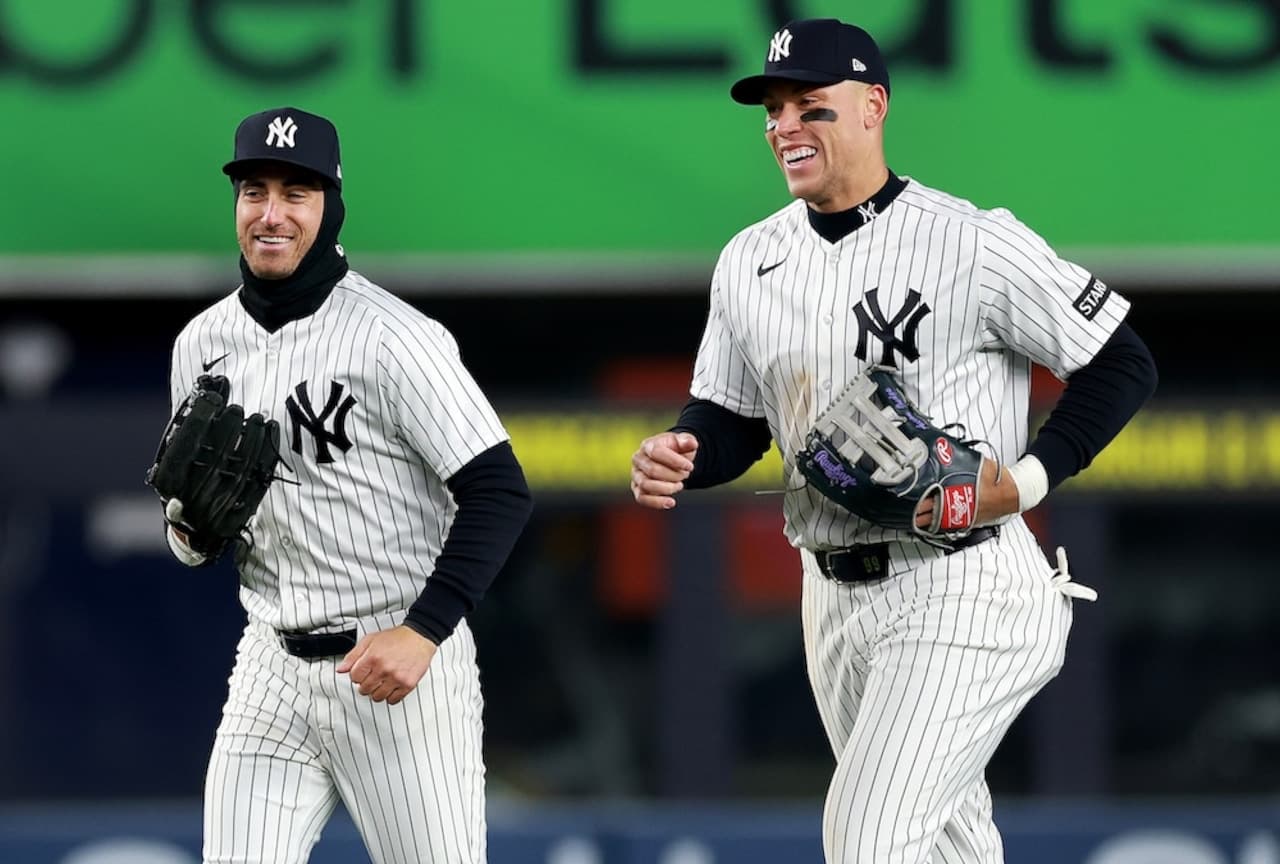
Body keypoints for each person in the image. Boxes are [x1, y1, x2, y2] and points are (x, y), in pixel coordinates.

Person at [629, 19, 1156, 864]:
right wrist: (684, 451)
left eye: (811, 105)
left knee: (868, 837)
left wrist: (1023, 483)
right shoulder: (748, 260)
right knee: (945, 849)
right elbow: (731, 420)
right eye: (772, 109)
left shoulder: (971, 241)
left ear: (873, 106)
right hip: (832, 594)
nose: (785, 126)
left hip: (965, 583)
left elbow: (1121, 362)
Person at [160, 106, 533, 864]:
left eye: (295, 194)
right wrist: (191, 531)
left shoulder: (396, 338)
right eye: (255, 191)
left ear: (330, 206)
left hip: (397, 659)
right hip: (271, 663)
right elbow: (194, 532)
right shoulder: (201, 343)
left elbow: (499, 490)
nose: (271, 214)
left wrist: (425, 630)